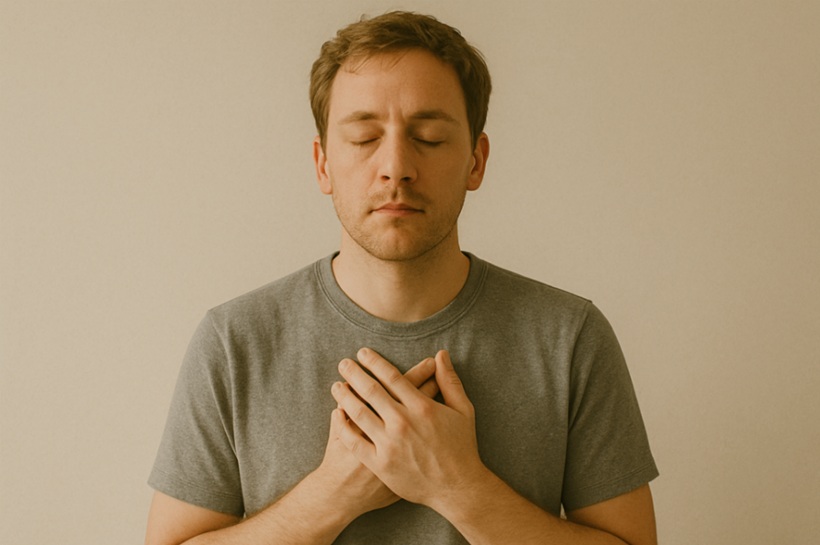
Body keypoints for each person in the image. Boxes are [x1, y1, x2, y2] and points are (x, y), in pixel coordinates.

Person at [145, 11, 658, 545]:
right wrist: (333, 495)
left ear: (476, 161)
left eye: (430, 138)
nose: (396, 166)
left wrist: (458, 486)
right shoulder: (233, 342)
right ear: (322, 164)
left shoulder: (569, 337)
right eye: (364, 137)